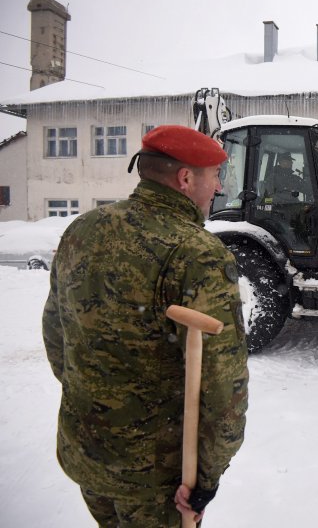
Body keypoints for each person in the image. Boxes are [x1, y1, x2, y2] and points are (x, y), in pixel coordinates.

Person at [42, 125, 249, 527]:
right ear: (186, 179)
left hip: (88, 453)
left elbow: (57, 333)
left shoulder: (82, 230)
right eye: (214, 175)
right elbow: (224, 385)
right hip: (158, 478)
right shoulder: (197, 253)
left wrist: (96, 401)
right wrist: (206, 477)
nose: (219, 187)